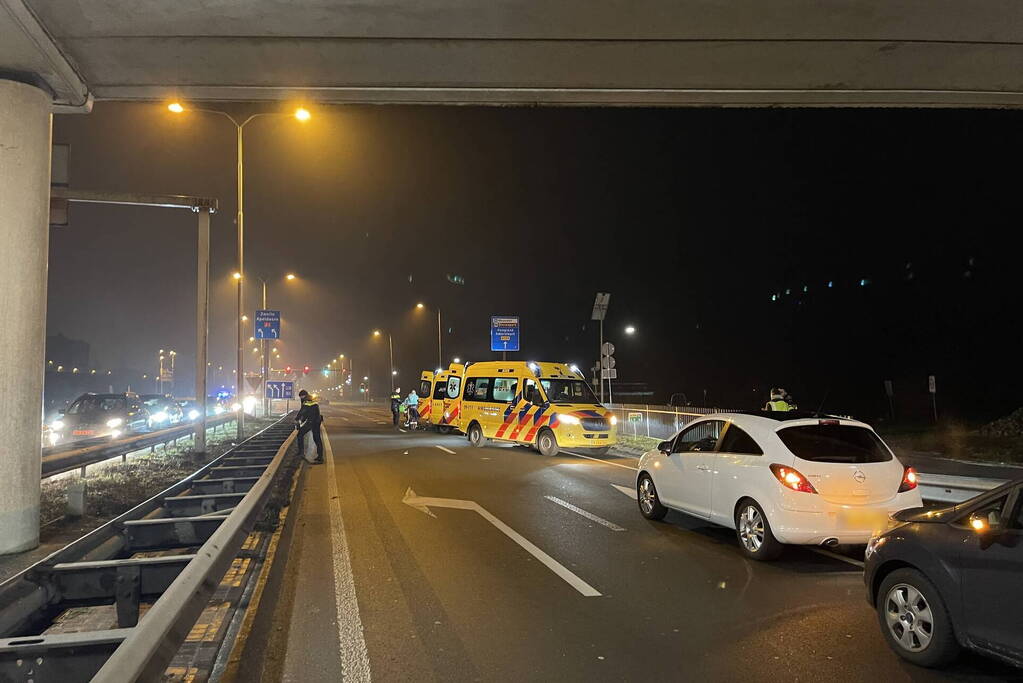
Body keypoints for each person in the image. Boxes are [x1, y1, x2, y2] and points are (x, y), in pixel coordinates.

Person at [295, 389, 324, 462]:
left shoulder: (307, 401)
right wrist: (302, 420)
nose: (300, 398)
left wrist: (297, 419)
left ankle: (301, 453)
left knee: (300, 435)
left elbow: (303, 411)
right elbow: (307, 412)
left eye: (301, 397)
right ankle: (320, 457)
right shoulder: (311, 400)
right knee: (317, 439)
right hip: (316, 421)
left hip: (312, 421)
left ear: (303, 395)